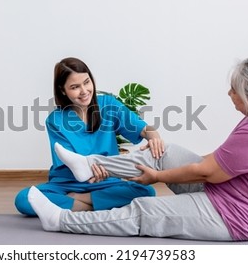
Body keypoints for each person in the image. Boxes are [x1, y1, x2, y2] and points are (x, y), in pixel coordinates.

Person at [27, 56, 248, 241]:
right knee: (163, 152)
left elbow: (207, 172)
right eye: (75, 86)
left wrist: (157, 177)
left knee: (145, 208)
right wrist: (157, 160)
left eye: (234, 91)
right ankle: (87, 166)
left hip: (235, 213)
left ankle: (61, 220)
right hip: (225, 191)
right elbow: (216, 164)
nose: (230, 94)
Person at [14, 57, 164, 216]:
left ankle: (79, 202)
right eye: (75, 87)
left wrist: (154, 137)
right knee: (24, 199)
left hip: (107, 182)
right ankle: (93, 207)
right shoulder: (55, 121)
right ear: (63, 90)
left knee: (146, 191)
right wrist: (92, 170)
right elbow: (71, 164)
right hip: (68, 184)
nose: (84, 91)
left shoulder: (108, 104)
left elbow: (143, 128)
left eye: (87, 82)